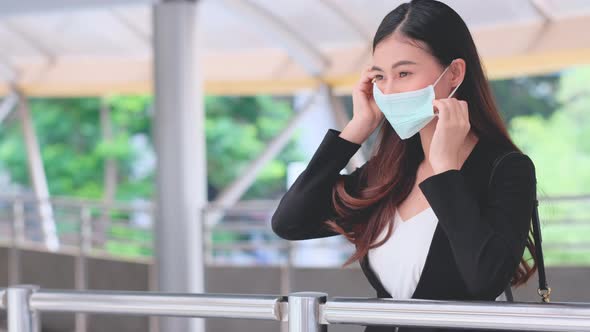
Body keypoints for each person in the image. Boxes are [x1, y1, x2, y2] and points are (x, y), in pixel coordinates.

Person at [271, 1, 539, 331]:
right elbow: (290, 223)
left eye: (404, 73)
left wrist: (446, 172)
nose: (390, 90)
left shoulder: (506, 169)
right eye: (380, 77)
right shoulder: (385, 172)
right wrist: (356, 129)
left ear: (454, 73)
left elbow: (484, 280)